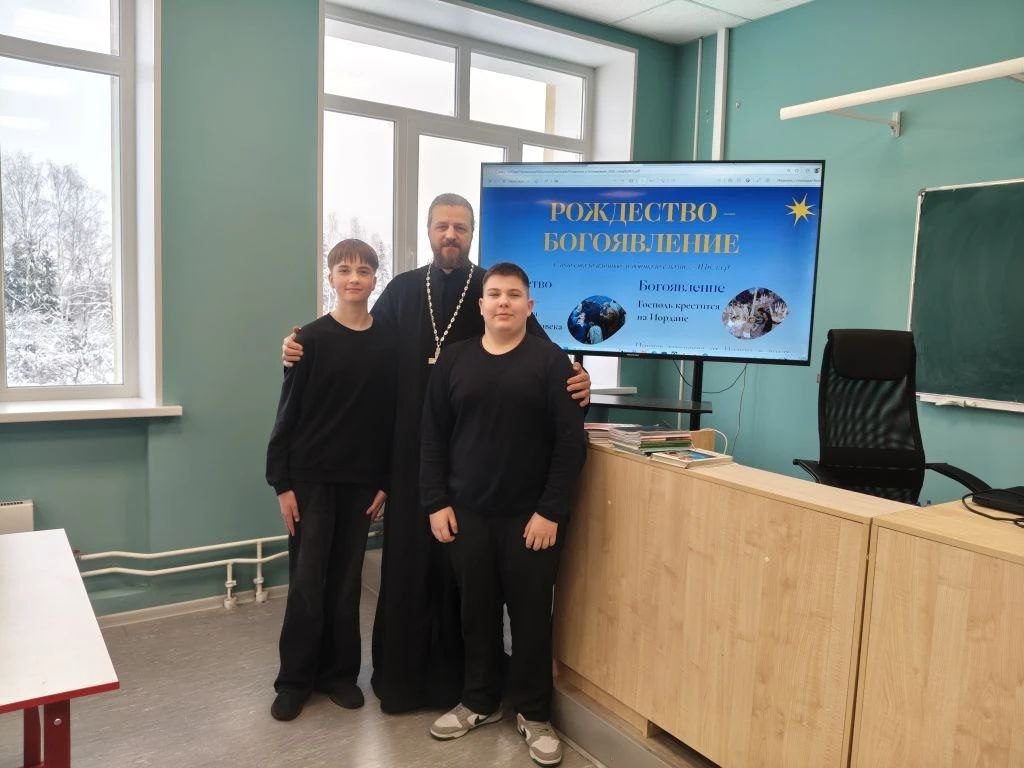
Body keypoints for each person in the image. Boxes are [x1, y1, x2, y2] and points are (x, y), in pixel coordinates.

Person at [280, 193, 592, 714]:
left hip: (469, 462)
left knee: (463, 583)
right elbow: (356, 338)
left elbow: (542, 357)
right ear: (428, 231)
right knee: (406, 569)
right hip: (411, 456)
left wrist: (580, 381)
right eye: (442, 226)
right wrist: (299, 347)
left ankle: (464, 688)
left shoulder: (491, 289)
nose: (451, 235)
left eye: (461, 228)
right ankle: (401, 683)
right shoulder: (404, 289)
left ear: (472, 234)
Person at [421, 262, 586, 767]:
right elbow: (432, 437)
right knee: (476, 614)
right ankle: (480, 701)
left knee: (532, 619)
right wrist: (435, 502)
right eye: (494, 294)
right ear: (481, 305)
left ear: (529, 306)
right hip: (466, 515)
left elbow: (569, 446)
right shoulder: (454, 360)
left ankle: (534, 714)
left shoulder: (552, 363)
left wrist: (550, 511)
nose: (503, 303)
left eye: (514, 295)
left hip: (531, 521)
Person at [265, 239, 394, 721]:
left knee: (346, 583)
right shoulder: (310, 340)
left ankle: (340, 675)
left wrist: (386, 480)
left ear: (375, 278)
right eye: (344, 270)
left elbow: (390, 419)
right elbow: (288, 413)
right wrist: (282, 483)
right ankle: (294, 681)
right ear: (331, 278)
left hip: (361, 483)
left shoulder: (389, 344)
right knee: (307, 583)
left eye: (363, 270)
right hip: (310, 481)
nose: (354, 278)